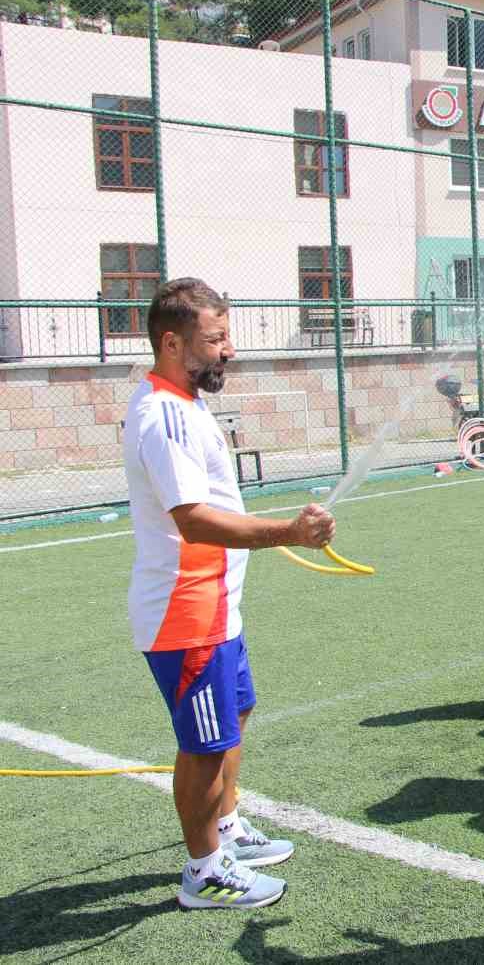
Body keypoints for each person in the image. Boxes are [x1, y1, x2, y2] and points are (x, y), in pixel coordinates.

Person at [124, 278, 335, 910]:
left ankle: (226, 829)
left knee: (235, 714)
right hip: (185, 612)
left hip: (217, 606)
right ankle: (204, 871)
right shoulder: (161, 414)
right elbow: (193, 520)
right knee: (204, 745)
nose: (228, 350)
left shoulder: (187, 402)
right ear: (172, 342)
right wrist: (288, 533)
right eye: (215, 339)